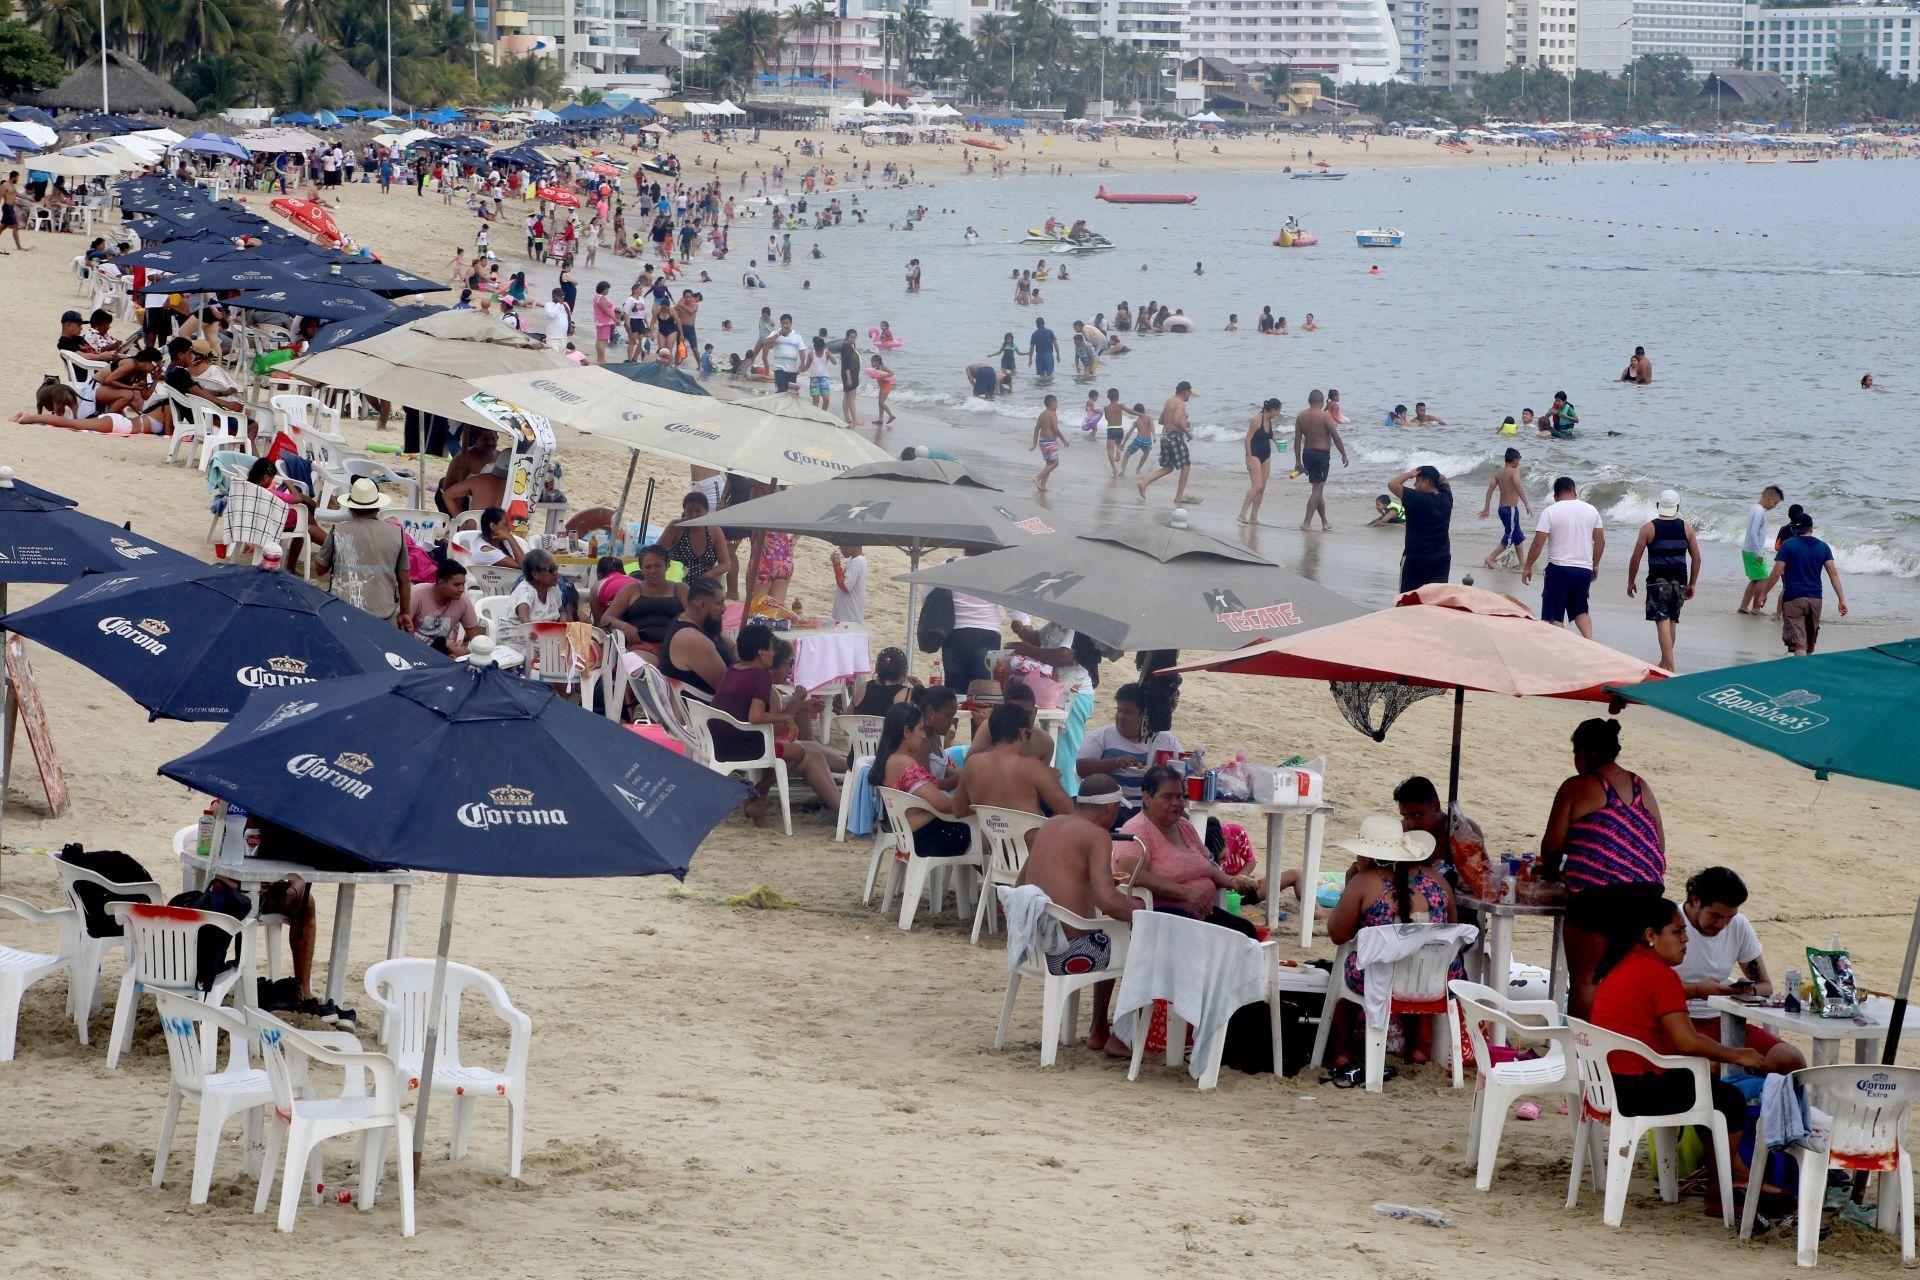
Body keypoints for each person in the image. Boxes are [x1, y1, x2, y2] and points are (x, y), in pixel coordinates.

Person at [1588, 893, 1768, 1216]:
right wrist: (1737, 1055)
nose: (1686, 940)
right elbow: (1687, 1042)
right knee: (1729, 1101)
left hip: (1607, 1086)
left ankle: (1732, 1172)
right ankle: (1720, 1187)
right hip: (1637, 1091)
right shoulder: (1660, 976)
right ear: (1650, 935)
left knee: (1707, 1086)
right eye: (1677, 932)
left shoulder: (1619, 965)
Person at [1542, 718, 1666, 1020]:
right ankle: (1616, 1052)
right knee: (1624, 980)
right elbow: (1659, 846)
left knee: (1586, 980)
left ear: (1583, 752)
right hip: (1648, 896)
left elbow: (1552, 847)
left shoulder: (1576, 786)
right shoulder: (1641, 786)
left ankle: (1583, 1058)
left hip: (1599, 897)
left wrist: (1553, 874)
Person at [1322, 813, 1460, 1067]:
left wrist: (1350, 884)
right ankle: (1418, 1047)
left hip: (1381, 981)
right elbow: (1451, 925)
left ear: (1368, 855)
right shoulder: (1438, 881)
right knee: (1411, 966)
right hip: (1435, 980)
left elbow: (1337, 934)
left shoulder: (1364, 882)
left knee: (1352, 968)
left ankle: (1340, 1050)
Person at [1013, 773, 1137, 1049]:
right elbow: (1107, 901)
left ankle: (1099, 1029)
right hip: (1065, 952)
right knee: (1131, 939)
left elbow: (1021, 883)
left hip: (1031, 945)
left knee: (1111, 931)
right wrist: (1143, 915)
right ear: (1110, 809)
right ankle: (1109, 1032)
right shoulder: (1098, 836)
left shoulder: (1051, 824)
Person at [1676, 867, 1807, 1075]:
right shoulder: (1670, 925)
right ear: (1695, 899)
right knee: (1712, 1069)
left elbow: (1765, 985)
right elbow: (1649, 990)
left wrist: (1744, 990)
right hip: (1678, 1021)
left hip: (1725, 1020)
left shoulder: (1738, 925)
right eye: (1716, 916)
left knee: (1791, 1061)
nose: (1722, 925)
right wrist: (1696, 990)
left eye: (1729, 917)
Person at [711, 624, 841, 826]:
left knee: (804, 749)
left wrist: (793, 710)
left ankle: (757, 797)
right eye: (771, 649)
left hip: (721, 741)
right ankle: (756, 792)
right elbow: (756, 717)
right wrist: (787, 716)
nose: (773, 652)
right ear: (762, 654)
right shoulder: (760, 677)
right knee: (799, 752)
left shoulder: (734, 669)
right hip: (747, 746)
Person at [1115, 766, 1259, 935]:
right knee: (1222, 939)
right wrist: (1186, 893)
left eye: (1179, 796)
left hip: (1199, 912)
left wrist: (1233, 881)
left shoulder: (1184, 826)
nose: (1176, 803)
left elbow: (1208, 867)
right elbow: (1133, 874)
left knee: (1246, 931)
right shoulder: (1136, 829)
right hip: (1160, 914)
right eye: (1167, 797)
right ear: (1147, 798)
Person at [876, 702, 973, 856]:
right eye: (920, 729)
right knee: (984, 835)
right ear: (906, 731)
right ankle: (1005, 879)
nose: (923, 735)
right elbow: (942, 804)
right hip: (925, 837)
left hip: (909, 835)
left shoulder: (889, 759)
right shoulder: (904, 763)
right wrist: (974, 805)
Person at [1075, 683, 1181, 814]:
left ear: (1145, 716)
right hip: (1115, 806)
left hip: (1155, 806)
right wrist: (1115, 762)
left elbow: (1182, 766)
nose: (1121, 717)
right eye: (1119, 710)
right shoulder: (1103, 736)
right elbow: (1081, 768)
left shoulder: (1164, 739)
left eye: (1128, 712)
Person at [316, 479, 409, 625]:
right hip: (383, 612)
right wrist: (405, 612)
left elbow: (320, 569)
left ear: (350, 508)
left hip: (344, 609)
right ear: (378, 508)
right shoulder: (397, 533)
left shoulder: (338, 530)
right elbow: (404, 579)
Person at [1627, 489, 1701, 671]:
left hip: (1657, 582)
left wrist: (1631, 581)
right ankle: (1664, 663)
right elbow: (1697, 558)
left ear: (1658, 505)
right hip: (1680, 581)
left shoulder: (1649, 528)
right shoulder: (1687, 528)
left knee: (1662, 623)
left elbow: (1636, 558)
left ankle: (1670, 667)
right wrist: (1692, 583)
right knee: (1672, 621)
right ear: (1677, 506)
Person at [1522, 476, 1604, 638]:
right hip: (1583, 570)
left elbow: (1538, 543)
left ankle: (1562, 646)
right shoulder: (1592, 510)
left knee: (1555, 614)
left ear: (1555, 496)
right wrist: (1595, 565)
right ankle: (1590, 643)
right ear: (1574, 491)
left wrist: (1528, 566)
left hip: (1559, 569)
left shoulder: (1551, 511)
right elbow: (1600, 540)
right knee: (1581, 610)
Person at [960, 703, 1072, 817]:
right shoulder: (1033, 767)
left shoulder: (971, 764)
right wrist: (1052, 780)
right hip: (1028, 834)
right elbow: (1069, 810)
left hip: (987, 833)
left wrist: (994, 817)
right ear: (1023, 733)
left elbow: (959, 810)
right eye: (1029, 734)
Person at [1763, 508, 1847, 655]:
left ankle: (1801, 673)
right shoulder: (1823, 547)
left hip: (1794, 598)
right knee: (1809, 643)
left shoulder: (1788, 545)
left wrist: (1764, 593)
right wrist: (1842, 599)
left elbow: (1776, 573)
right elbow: (1833, 574)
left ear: (1794, 529)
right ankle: (1806, 671)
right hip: (1816, 599)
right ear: (1811, 528)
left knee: (1798, 643)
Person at [605, 545, 686, 656]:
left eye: (658, 565)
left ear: (667, 566)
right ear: (641, 568)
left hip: (677, 646)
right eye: (648, 567)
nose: (653, 570)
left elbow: (697, 618)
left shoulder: (681, 590)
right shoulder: (631, 590)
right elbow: (606, 618)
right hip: (643, 647)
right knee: (643, 667)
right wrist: (624, 626)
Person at [657, 576, 729, 696]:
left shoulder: (702, 623)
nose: (724, 608)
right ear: (703, 606)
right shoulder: (692, 639)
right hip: (705, 711)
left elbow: (731, 646)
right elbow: (728, 689)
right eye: (720, 603)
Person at [1389, 465, 1453, 592]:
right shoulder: (1447, 498)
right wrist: (1429, 473)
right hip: (1441, 558)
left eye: (1417, 481)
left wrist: (1409, 474)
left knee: (1407, 601)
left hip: (1416, 558)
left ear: (1425, 483)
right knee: (1435, 602)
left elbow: (1392, 484)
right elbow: (1444, 479)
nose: (1414, 484)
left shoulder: (1416, 498)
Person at [1291, 389, 1347, 531]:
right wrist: (1344, 454)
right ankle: (1306, 523)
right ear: (1322, 402)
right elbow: (1336, 437)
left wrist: (1298, 460)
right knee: (1317, 489)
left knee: (1318, 489)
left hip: (1307, 454)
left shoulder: (1301, 416)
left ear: (1309, 401)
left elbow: (1297, 441)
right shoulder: (1325, 416)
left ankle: (1324, 522)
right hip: (1321, 456)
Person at [402, 559, 482, 657]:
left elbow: (477, 640)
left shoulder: (463, 602)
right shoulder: (416, 594)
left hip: (441, 656)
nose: (461, 589)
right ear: (440, 583)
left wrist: (466, 652)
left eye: (463, 584)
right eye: (456, 585)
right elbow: (399, 631)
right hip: (411, 652)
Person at [1136, 381, 1198, 504]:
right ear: (1185, 392)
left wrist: (1184, 422)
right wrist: (1186, 431)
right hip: (1174, 437)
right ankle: (1179, 497)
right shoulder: (1180, 403)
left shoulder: (1169, 401)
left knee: (1169, 467)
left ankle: (1144, 483)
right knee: (1186, 466)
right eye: (1189, 393)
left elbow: (1161, 420)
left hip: (1165, 436)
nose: (1190, 396)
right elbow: (1176, 420)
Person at [658, 489, 732, 585]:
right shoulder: (676, 527)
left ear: (706, 511)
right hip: (676, 585)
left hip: (703, 587)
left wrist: (708, 575)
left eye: (698, 511)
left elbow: (726, 564)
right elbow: (656, 552)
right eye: (689, 511)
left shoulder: (715, 531)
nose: (693, 515)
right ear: (684, 511)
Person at [1479, 447, 1531, 568]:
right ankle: (1491, 557)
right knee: (1510, 536)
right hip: (1511, 509)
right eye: (1518, 460)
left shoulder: (1498, 473)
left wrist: (1486, 508)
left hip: (1502, 510)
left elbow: (1490, 490)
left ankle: (1522, 562)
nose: (1519, 463)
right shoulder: (1514, 471)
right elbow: (1518, 487)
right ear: (1513, 460)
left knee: (1517, 536)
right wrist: (1526, 503)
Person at [1739, 485, 1784, 615]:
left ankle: (1744, 606)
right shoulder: (1759, 511)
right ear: (1768, 498)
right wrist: (1758, 552)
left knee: (1755, 579)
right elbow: (1753, 532)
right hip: (1754, 550)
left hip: (1748, 549)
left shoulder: (1754, 508)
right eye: (1775, 503)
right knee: (1763, 578)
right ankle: (1756, 608)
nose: (1774, 506)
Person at [1238, 398, 1283, 526]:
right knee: (1256, 485)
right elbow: (1247, 439)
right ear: (1273, 410)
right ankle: (1242, 514)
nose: (1279, 414)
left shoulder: (1269, 419)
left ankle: (1253, 517)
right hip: (1254, 454)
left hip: (1266, 454)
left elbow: (1269, 434)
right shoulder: (1257, 420)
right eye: (1279, 411)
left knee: (1262, 487)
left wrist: (1277, 442)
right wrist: (1248, 459)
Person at [508, 548, 577, 623]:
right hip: (518, 632)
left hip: (544, 632)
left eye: (556, 567)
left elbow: (561, 611)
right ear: (535, 574)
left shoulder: (553, 588)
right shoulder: (526, 590)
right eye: (551, 569)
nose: (556, 572)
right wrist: (533, 631)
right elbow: (523, 615)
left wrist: (562, 622)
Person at [458, 506, 526, 570]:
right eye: (505, 524)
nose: (510, 528)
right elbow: (523, 566)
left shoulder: (502, 542)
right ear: (493, 526)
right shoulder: (486, 551)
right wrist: (511, 538)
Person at [1030, 394, 1065, 491]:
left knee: (1049, 464)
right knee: (1055, 463)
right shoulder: (1052, 414)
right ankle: (1037, 477)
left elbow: (1037, 428)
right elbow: (1055, 428)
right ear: (1052, 403)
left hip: (1042, 443)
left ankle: (1043, 485)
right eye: (1056, 403)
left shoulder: (1042, 414)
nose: (1057, 405)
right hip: (1050, 442)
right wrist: (1064, 440)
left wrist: (1034, 443)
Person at [831, 542, 867, 629]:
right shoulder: (856, 561)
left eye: (843, 544)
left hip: (848, 618)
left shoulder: (857, 562)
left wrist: (836, 564)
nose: (840, 548)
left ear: (853, 545)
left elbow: (845, 586)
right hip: (847, 616)